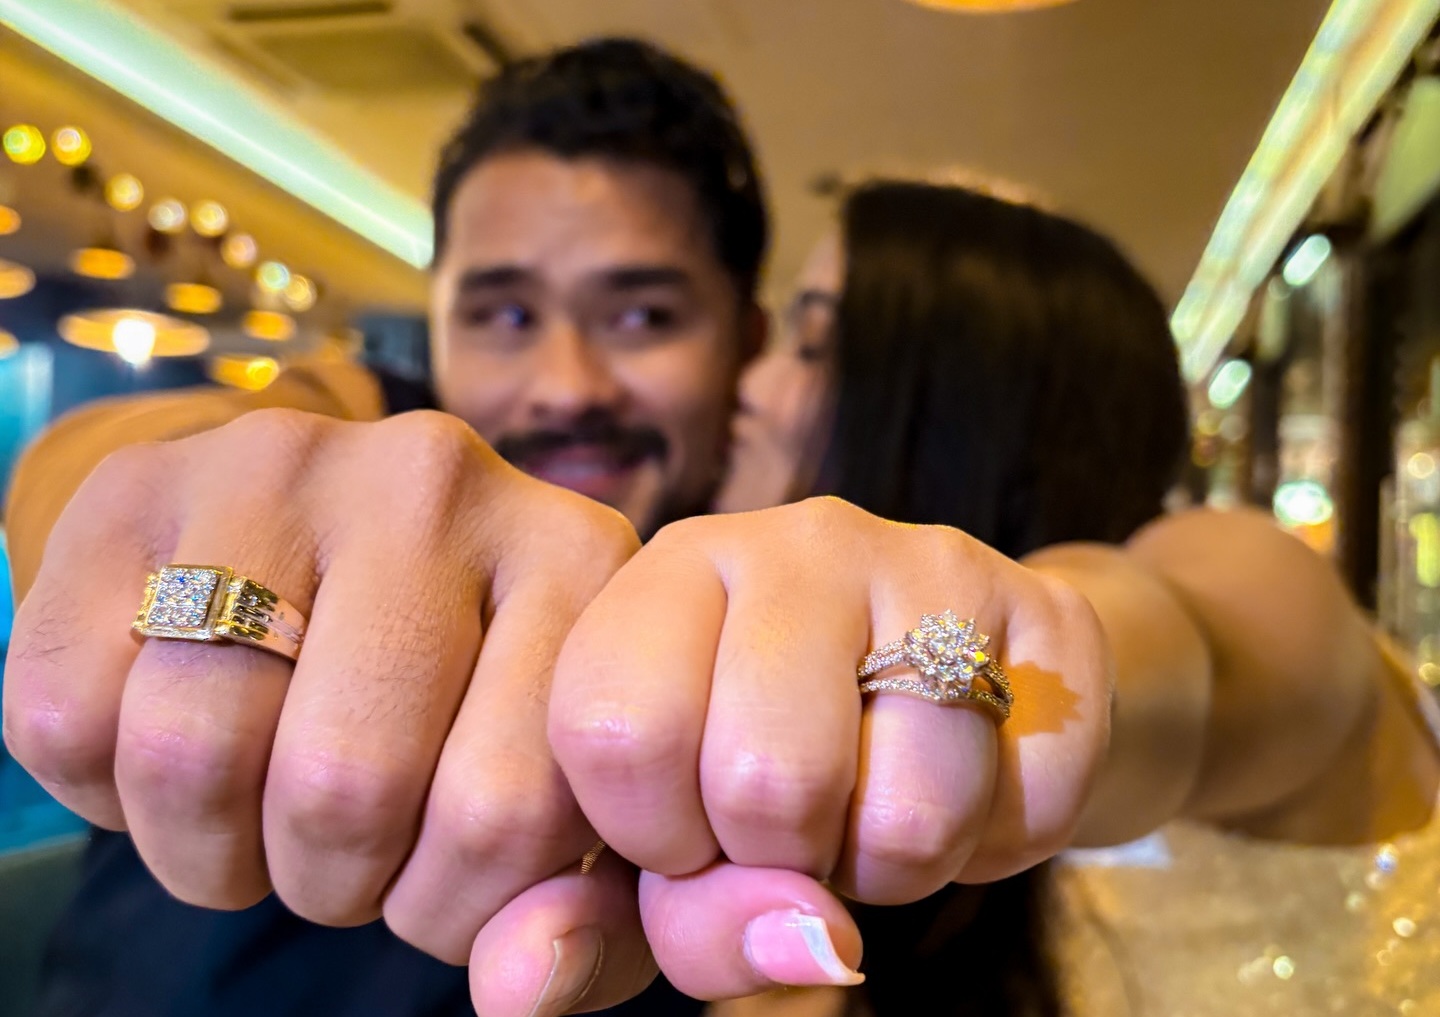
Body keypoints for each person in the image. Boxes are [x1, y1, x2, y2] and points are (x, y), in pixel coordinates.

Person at [2, 34, 1431, 1017]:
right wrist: (140, 510)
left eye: (643, 316)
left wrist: (1023, 661)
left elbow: (1167, 645)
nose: (564, 382)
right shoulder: (372, 450)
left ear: (741, 343)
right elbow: (153, 460)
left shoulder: (762, 608)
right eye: (500, 313)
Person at [708, 177, 1440, 1016]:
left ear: (967, 405)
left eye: (811, 346)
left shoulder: (1237, 565)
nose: (747, 387)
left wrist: (970, 669)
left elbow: (1146, 665)